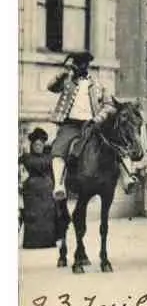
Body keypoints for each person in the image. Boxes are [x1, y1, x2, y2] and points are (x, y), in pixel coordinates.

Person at [46, 51, 130, 200]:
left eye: (84, 64)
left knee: (115, 144)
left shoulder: (98, 84)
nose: (81, 67)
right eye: (78, 64)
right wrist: (63, 73)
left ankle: (127, 178)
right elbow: (51, 87)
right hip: (70, 124)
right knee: (59, 149)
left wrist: (99, 118)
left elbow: (109, 105)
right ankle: (59, 185)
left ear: (87, 65)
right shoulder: (66, 80)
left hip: (92, 124)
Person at [19, 128, 69, 249]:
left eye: (40, 145)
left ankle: (48, 241)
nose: (38, 147)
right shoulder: (26, 157)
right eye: (36, 145)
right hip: (31, 190)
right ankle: (33, 242)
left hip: (47, 188)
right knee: (33, 216)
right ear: (32, 145)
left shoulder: (49, 158)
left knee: (49, 214)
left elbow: (56, 171)